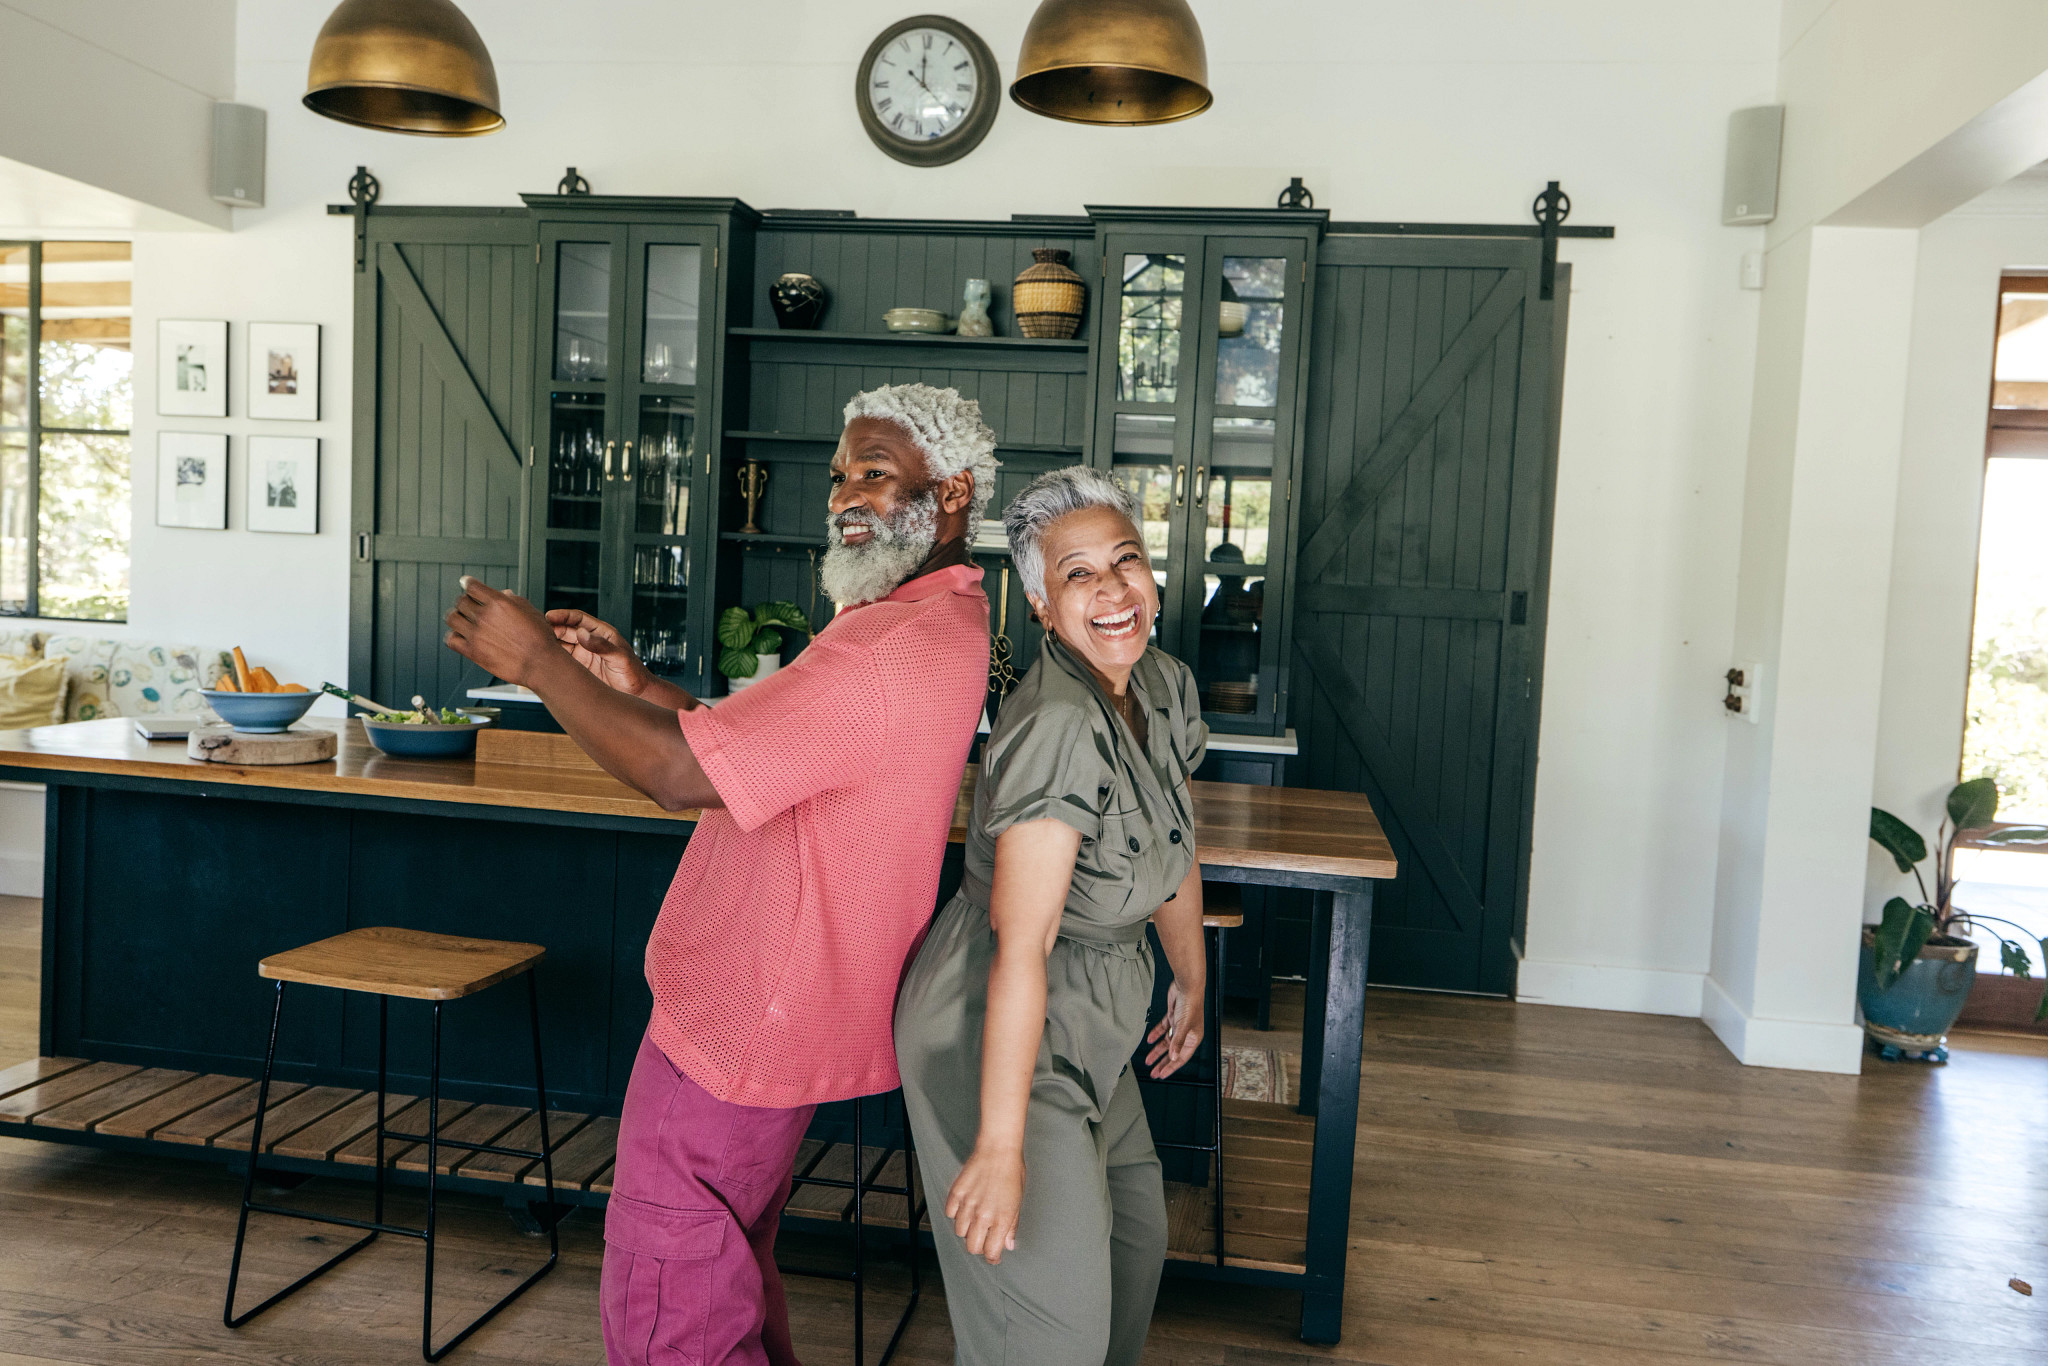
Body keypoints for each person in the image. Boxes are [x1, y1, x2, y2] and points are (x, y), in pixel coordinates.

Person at [443, 383, 999, 1366]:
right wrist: (641, 688)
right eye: (838, 475)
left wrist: (540, 666)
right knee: (722, 1271)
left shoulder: (884, 644)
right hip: (772, 1011)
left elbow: (674, 773)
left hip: (745, 1014)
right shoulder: (927, 619)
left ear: (951, 493)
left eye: (874, 471)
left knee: (673, 1307)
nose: (844, 496)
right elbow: (763, 752)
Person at [893, 466, 1210, 1366]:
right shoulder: (1057, 725)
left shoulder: (1163, 685)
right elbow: (1021, 948)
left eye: (1128, 561)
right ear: (1039, 603)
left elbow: (1176, 844)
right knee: (1045, 1332)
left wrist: (1189, 975)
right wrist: (998, 1146)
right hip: (1000, 1026)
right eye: (1078, 574)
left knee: (1134, 1246)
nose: (1113, 589)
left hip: (1093, 1018)